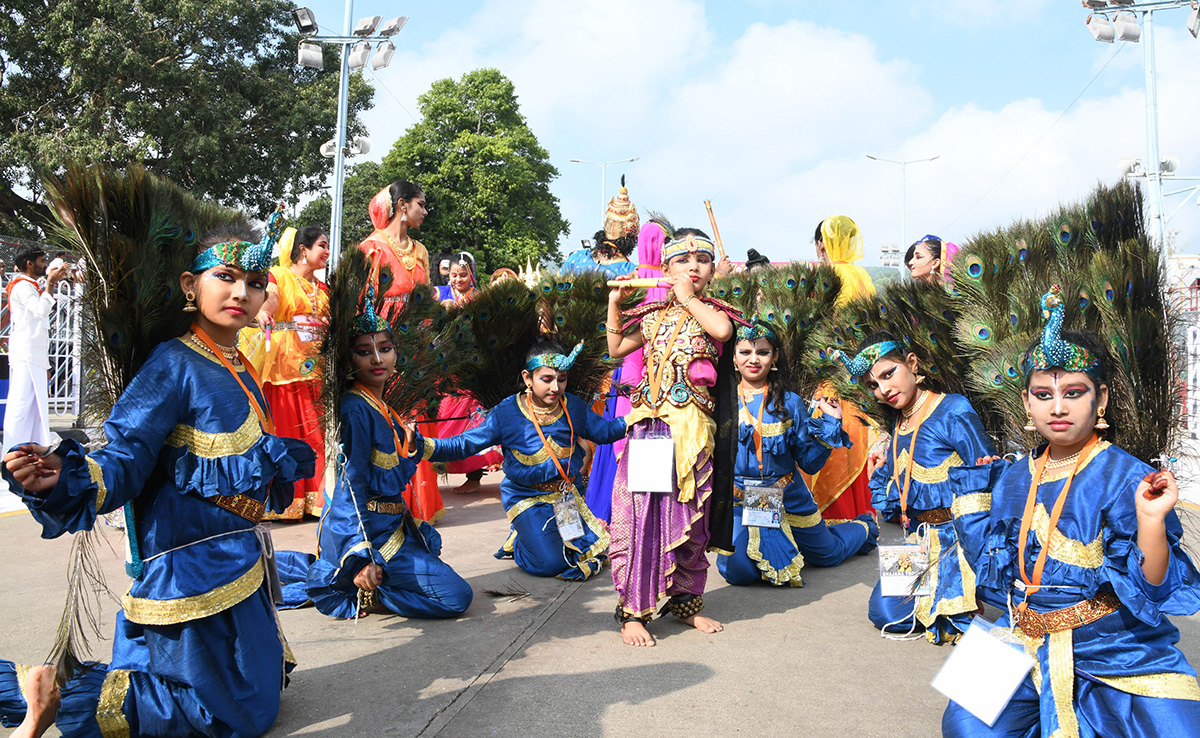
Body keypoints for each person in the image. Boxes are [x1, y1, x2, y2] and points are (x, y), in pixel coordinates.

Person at [0, 199, 315, 736]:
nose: (242, 292)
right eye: (226, 277)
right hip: (190, 572)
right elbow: (126, 455)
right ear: (191, 287)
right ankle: (49, 688)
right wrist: (70, 477)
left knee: (265, 695)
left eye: (256, 281)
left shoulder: (236, 362)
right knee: (234, 718)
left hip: (238, 570)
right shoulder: (173, 361)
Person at [942, 286, 1200, 737]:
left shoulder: (1128, 476)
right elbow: (993, 571)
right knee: (963, 728)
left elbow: (1153, 587)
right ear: (1026, 403)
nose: (1057, 407)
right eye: (1043, 395)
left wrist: (1152, 521)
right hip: (1019, 632)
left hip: (1112, 644)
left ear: (1100, 400)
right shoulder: (1014, 475)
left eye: (1074, 393)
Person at [277, 253, 472, 620]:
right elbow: (352, 485)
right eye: (364, 352)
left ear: (397, 353)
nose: (377, 359)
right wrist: (361, 554)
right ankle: (358, 588)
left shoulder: (382, 405)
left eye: (384, 349)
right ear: (350, 361)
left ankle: (320, 569)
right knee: (456, 597)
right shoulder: (355, 408)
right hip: (370, 533)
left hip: (392, 525)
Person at [606, 228, 741, 647]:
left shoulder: (714, 310)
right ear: (665, 267)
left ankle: (686, 605)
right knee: (644, 515)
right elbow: (615, 348)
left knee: (691, 517)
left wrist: (688, 298)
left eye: (702, 259)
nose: (693, 267)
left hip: (694, 431)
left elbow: (721, 333)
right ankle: (634, 611)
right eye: (683, 260)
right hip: (650, 430)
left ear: (712, 269)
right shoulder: (652, 316)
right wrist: (614, 305)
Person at [829, 331, 994, 643]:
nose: (883, 389)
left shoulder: (953, 409)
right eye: (872, 385)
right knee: (885, 613)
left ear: (912, 363)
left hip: (959, 542)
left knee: (950, 615)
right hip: (918, 540)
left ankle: (974, 590)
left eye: (889, 374)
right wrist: (882, 473)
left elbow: (985, 480)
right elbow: (896, 500)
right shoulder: (899, 422)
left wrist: (977, 552)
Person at [413, 340, 625, 580]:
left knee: (585, 551)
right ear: (527, 378)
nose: (555, 387)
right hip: (527, 497)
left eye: (562, 378)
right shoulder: (507, 412)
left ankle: (536, 534)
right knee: (551, 564)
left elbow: (605, 433)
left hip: (567, 495)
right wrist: (421, 445)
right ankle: (520, 542)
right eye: (546, 379)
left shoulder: (573, 407)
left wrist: (639, 416)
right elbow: (465, 444)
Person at [716, 321, 878, 587]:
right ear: (733, 357)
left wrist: (830, 426)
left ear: (775, 356)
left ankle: (863, 527)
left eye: (763, 352)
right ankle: (775, 546)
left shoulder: (789, 402)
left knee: (828, 555)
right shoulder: (720, 401)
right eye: (745, 352)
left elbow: (809, 463)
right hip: (739, 502)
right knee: (738, 572)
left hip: (789, 497)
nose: (753, 360)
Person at [357, 179, 443, 524]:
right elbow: (365, 302)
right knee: (387, 421)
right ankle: (387, 501)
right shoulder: (372, 249)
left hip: (418, 348)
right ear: (403, 206)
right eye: (421, 204)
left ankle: (419, 504)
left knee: (418, 418)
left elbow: (425, 298)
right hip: (385, 346)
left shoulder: (420, 251)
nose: (425, 211)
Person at [583, 218, 671, 523]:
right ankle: (648, 522)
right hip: (659, 385)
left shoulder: (633, 282)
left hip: (627, 381)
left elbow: (617, 346)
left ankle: (615, 517)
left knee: (621, 443)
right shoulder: (670, 288)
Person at [248, 225, 331, 519]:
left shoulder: (323, 288)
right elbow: (269, 302)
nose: (327, 251)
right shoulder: (280, 276)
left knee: (318, 434)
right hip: (285, 364)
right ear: (303, 250)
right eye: (322, 245)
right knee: (291, 431)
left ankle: (319, 498)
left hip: (317, 367)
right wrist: (262, 313)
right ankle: (289, 499)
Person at [806, 216, 878, 525]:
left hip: (829, 371)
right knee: (855, 436)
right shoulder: (863, 277)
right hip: (858, 372)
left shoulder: (824, 276)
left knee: (829, 436)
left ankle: (829, 513)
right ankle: (859, 512)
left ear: (822, 243)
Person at [430, 251, 501, 495]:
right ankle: (436, 463)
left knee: (473, 420)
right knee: (444, 415)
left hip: (472, 368)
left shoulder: (481, 298)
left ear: (471, 275)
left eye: (463, 274)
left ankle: (474, 474)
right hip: (444, 367)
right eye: (453, 275)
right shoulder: (438, 294)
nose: (457, 279)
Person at [3, 246, 69, 449]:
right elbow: (41, 311)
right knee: (21, 406)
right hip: (25, 354)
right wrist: (50, 283)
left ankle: (29, 449)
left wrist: (46, 364)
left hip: (34, 356)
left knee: (34, 407)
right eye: (42, 261)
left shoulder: (30, 285)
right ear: (29, 264)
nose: (46, 265)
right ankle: (11, 452)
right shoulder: (22, 287)